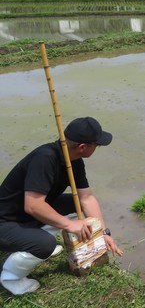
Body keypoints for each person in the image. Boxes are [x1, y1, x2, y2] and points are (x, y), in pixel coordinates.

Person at [0, 117, 123, 295]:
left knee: (76, 204)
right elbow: (33, 205)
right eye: (96, 145)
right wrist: (70, 224)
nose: (97, 148)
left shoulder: (75, 162)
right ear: (83, 147)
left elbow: (86, 198)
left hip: (25, 216)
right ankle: (11, 278)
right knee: (44, 245)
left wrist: (103, 233)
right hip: (5, 222)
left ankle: (33, 238)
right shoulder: (45, 159)